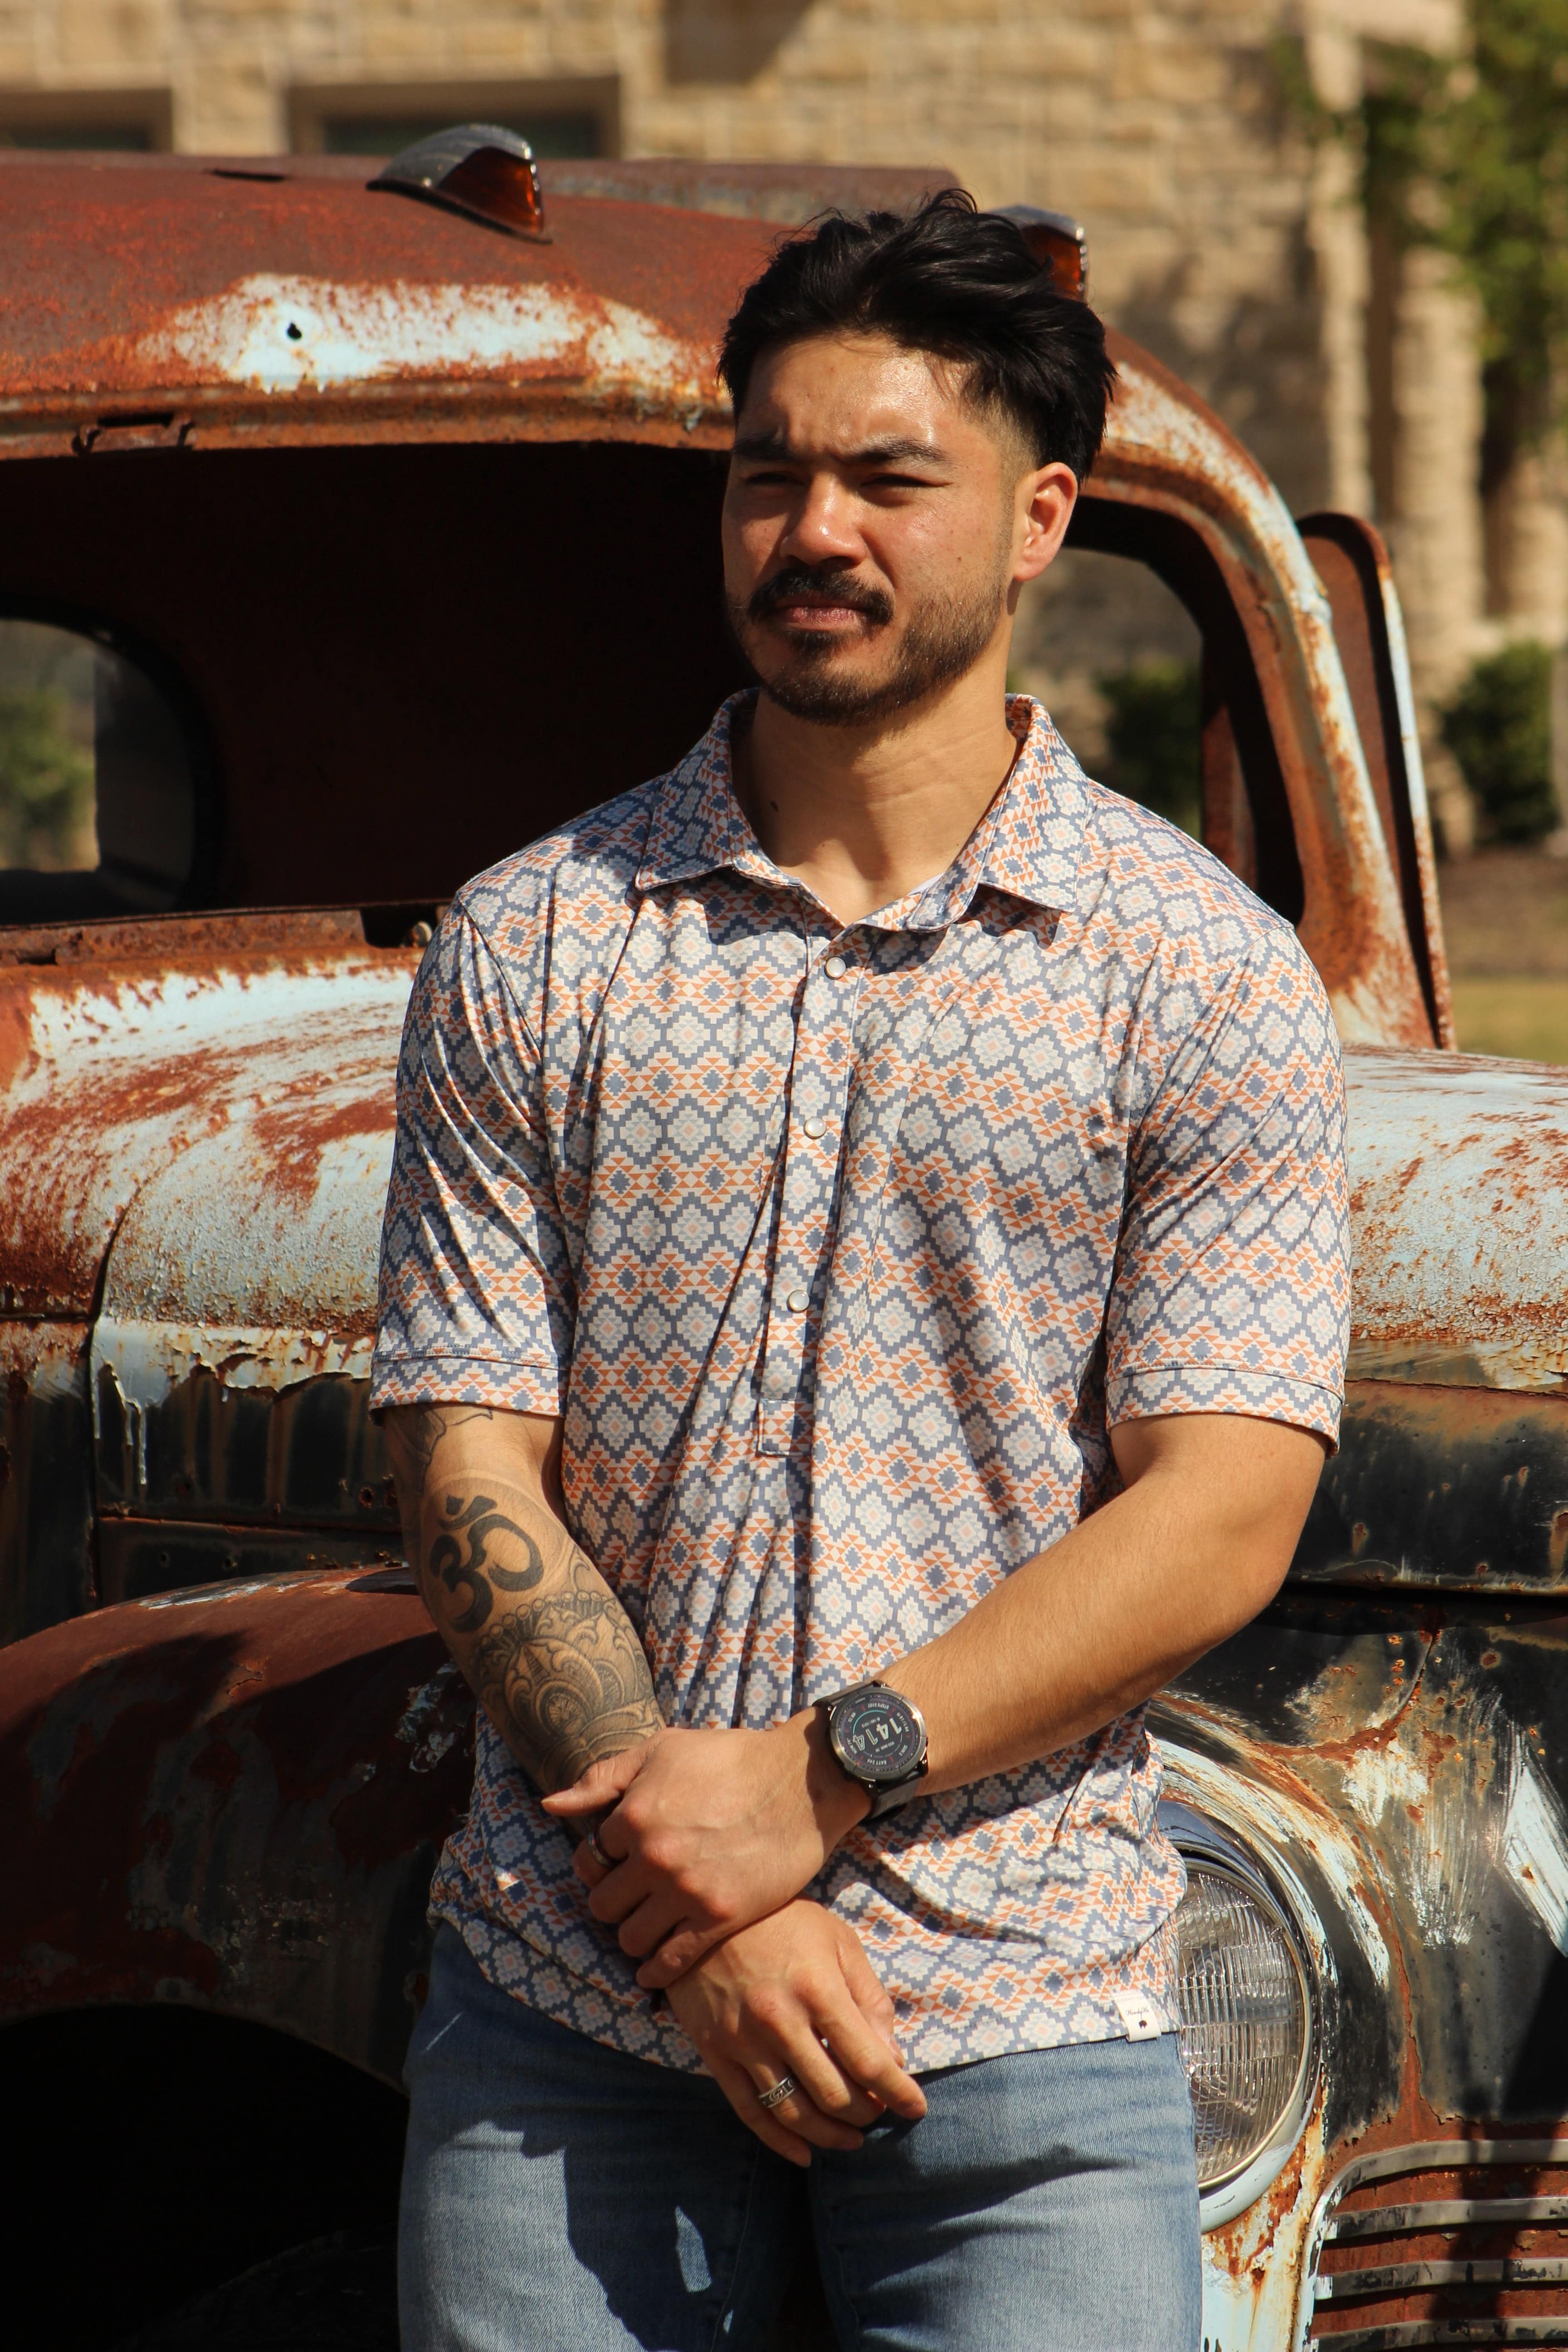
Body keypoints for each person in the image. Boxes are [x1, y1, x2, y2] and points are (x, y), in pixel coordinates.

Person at [372, 188, 1350, 2352]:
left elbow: (1225, 1505)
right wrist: (697, 1909)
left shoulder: (1201, 977)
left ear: (1039, 518)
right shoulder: (535, 939)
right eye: (769, 476)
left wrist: (808, 1786)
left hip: (1024, 2025)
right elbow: (464, 1462)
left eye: (890, 478)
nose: (813, 528)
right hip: (579, 2013)